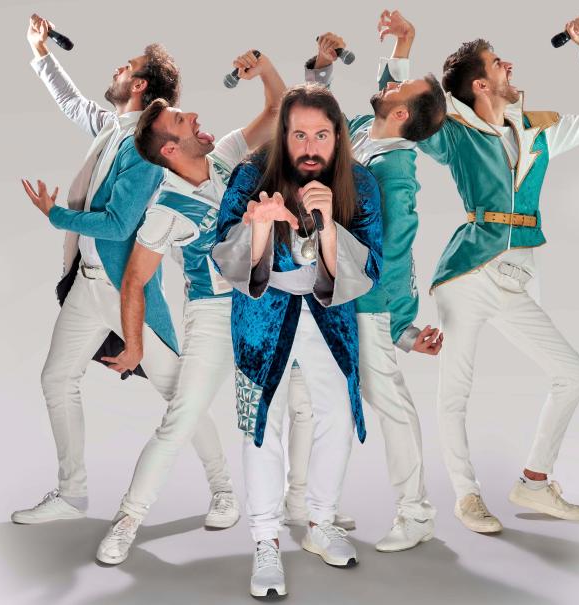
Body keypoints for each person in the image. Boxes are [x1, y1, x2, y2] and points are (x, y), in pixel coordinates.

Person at [11, 14, 232, 526]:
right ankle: (72, 494)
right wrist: (41, 51)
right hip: (86, 287)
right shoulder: (113, 128)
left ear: (138, 86)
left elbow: (117, 224)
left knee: (177, 394)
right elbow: (73, 104)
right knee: (56, 379)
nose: (115, 70)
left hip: (124, 292)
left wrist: (57, 215)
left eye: (125, 67)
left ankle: (223, 489)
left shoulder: (147, 153)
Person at [406, 12, 579, 532]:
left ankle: (534, 482)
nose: (510, 66)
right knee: (456, 389)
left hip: (517, 275)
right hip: (466, 274)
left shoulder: (537, 131)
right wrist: (400, 51)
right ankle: (467, 496)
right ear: (480, 84)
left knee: (573, 374)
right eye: (498, 62)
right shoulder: (454, 134)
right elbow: (406, 114)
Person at [91, 50, 286, 565]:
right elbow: (134, 281)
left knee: (291, 410)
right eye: (182, 120)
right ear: (171, 148)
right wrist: (135, 345)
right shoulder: (165, 209)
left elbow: (277, 110)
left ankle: (302, 511)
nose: (195, 115)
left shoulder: (223, 157)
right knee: (180, 419)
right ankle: (128, 518)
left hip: (269, 304)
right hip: (215, 316)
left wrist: (265, 71)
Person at [211, 84, 383, 598]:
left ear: (338, 137)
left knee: (337, 416)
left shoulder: (360, 183)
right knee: (261, 424)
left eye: (321, 135)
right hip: (263, 313)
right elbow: (223, 252)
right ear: (284, 136)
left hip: (329, 312)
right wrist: (261, 227)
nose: (310, 147)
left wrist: (327, 225)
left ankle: (321, 522)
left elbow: (370, 265)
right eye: (299, 135)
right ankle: (265, 540)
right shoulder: (250, 175)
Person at [285, 14, 446, 553]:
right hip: (327, 290)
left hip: (367, 304)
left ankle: (416, 513)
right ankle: (303, 500)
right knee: (309, 395)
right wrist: (402, 41)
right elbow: (324, 126)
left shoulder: (396, 172)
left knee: (388, 402)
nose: (387, 84)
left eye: (398, 88)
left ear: (400, 114)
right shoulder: (363, 131)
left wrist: (400, 328)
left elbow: (395, 254)